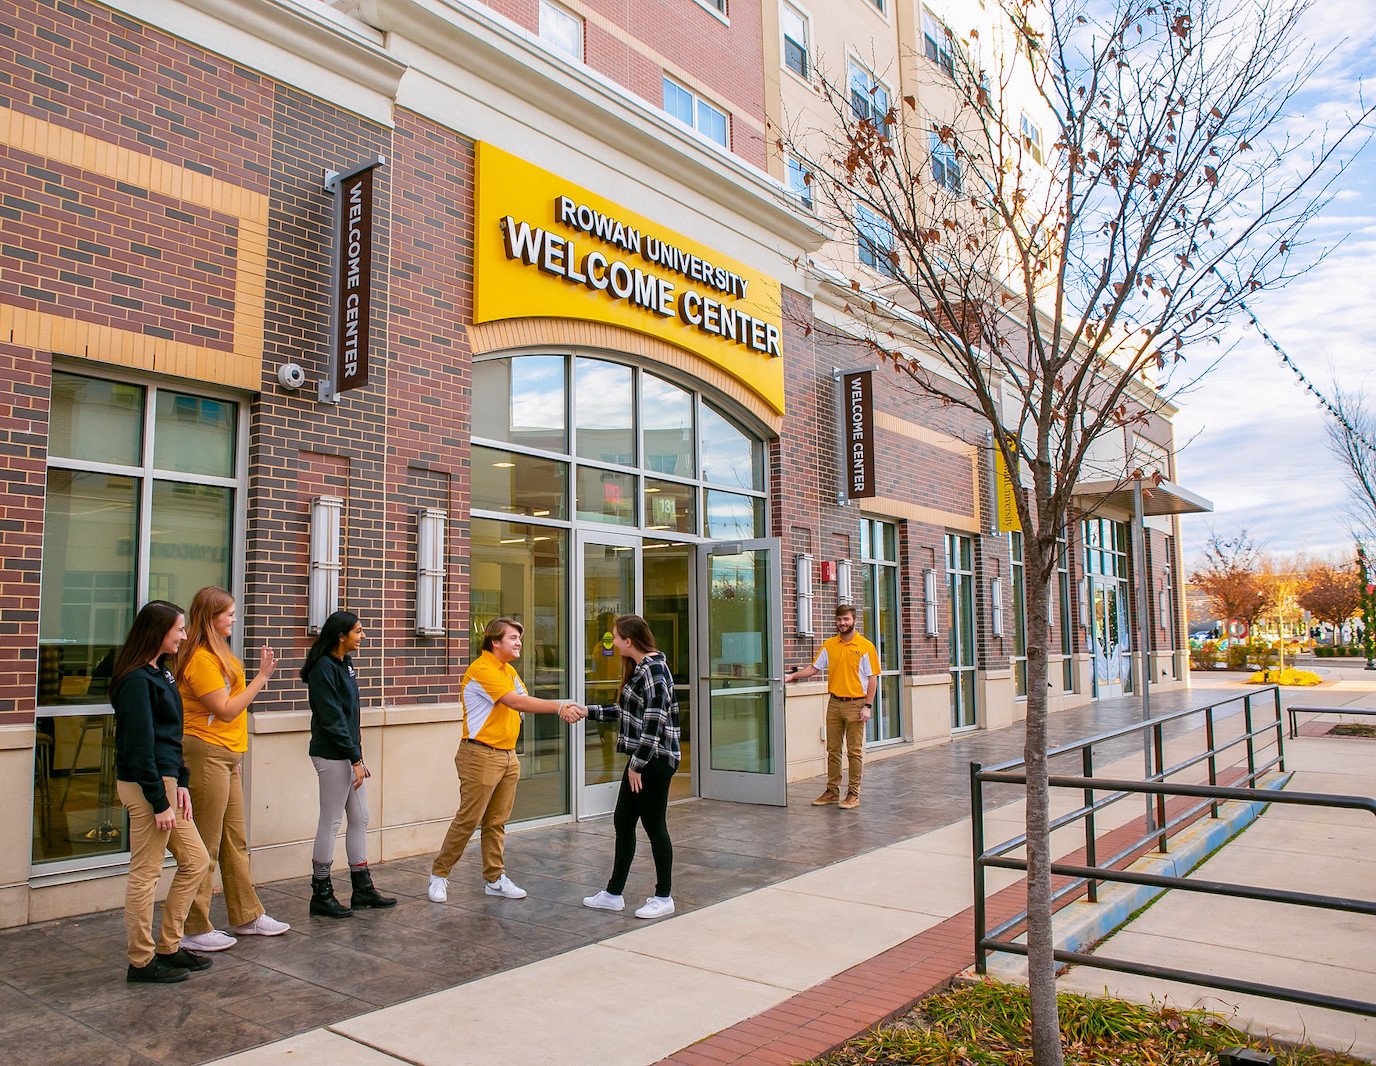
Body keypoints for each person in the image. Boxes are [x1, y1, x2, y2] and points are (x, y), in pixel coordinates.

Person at [428, 617, 583, 903]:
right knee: (469, 819)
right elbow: (517, 702)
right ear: (494, 642)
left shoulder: (507, 671)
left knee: (497, 821)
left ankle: (494, 878)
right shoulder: (482, 669)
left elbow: (524, 700)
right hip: (480, 754)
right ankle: (439, 875)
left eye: (518, 638)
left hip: (507, 755)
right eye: (513, 638)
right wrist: (560, 706)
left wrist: (565, 707)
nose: (519, 642)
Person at [174, 587, 289, 952]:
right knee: (204, 844)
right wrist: (261, 678)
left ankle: (247, 915)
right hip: (206, 753)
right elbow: (224, 709)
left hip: (227, 755)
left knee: (234, 840)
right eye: (229, 614)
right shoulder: (200, 660)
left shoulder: (219, 654)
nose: (234, 620)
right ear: (211, 617)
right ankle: (194, 926)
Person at [112, 599, 212, 984]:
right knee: (146, 873)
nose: (184, 636)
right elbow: (139, 749)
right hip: (145, 787)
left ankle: (170, 945)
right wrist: (159, 801)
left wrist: (181, 782)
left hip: (166, 783)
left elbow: (173, 737)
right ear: (159, 632)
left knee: (196, 861)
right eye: (179, 630)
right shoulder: (136, 680)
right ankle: (141, 961)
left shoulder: (162, 673)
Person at [580, 615, 681, 920]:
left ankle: (664, 896)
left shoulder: (654, 670)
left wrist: (636, 765)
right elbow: (626, 712)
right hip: (645, 759)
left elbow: (654, 722)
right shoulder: (641, 669)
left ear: (628, 641)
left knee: (654, 826)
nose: (611, 638)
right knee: (624, 822)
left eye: (615, 635)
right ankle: (613, 894)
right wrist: (587, 711)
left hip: (654, 760)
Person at [300, 610, 396, 918]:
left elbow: (350, 717)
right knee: (331, 820)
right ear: (341, 636)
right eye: (358, 631)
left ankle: (362, 888)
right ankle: (321, 893)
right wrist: (354, 758)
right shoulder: (323, 669)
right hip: (331, 755)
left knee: (361, 817)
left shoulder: (344, 663)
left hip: (349, 754)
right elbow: (332, 719)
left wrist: (358, 757)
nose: (363, 636)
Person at [785, 604, 879, 810]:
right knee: (833, 750)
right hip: (835, 703)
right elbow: (813, 668)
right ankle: (832, 791)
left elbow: (873, 679)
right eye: (839, 620)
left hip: (856, 704)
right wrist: (792, 676)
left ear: (854, 621)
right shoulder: (829, 645)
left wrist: (868, 706)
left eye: (846, 619)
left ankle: (853, 794)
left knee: (854, 752)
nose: (842, 623)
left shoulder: (865, 646)